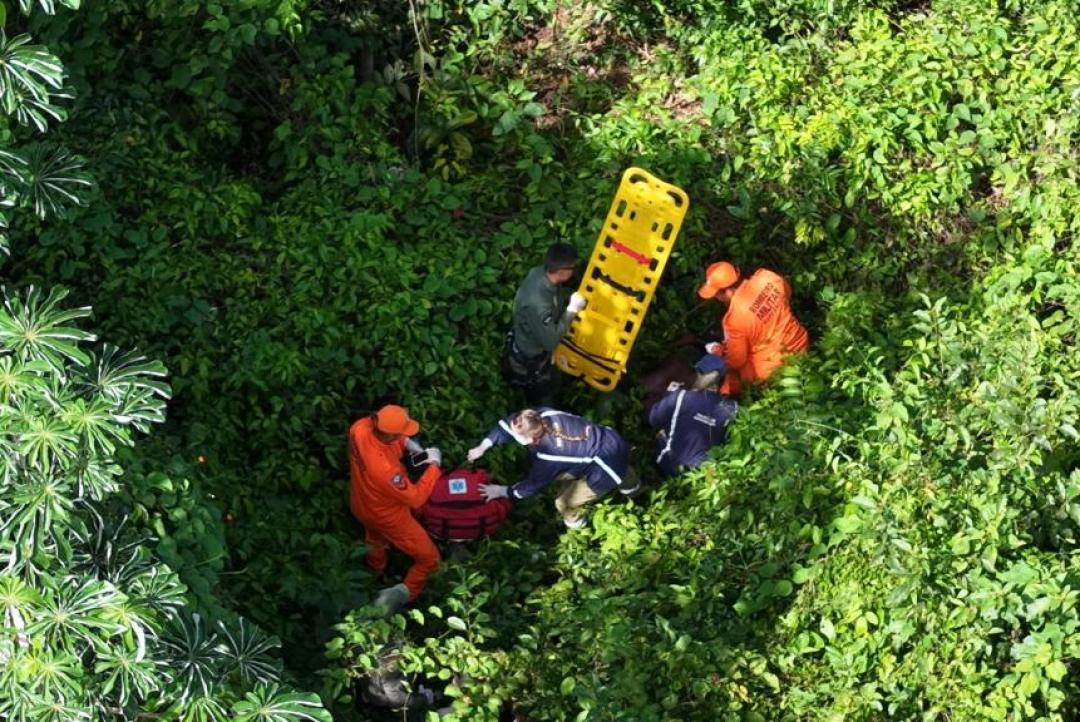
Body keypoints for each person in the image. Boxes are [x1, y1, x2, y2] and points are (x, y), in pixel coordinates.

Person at [466, 408, 639, 529]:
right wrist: (483, 446)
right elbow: (506, 425)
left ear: (527, 440)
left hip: (605, 469)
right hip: (612, 439)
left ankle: (578, 527)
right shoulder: (540, 415)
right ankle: (634, 488)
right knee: (621, 466)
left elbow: (531, 486)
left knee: (563, 502)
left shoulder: (550, 456)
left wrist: (501, 491)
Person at [348, 404, 443, 612]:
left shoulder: (359, 428)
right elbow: (416, 498)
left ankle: (375, 573)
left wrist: (406, 443)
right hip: (388, 516)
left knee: (375, 540)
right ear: (389, 435)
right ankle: (402, 593)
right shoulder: (386, 471)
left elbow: (385, 441)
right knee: (430, 559)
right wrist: (434, 466)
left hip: (362, 504)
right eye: (401, 433)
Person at [697, 261, 809, 395]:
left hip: (774, 370)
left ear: (724, 293)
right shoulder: (767, 277)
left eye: (716, 294)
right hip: (800, 344)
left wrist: (723, 353)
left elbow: (737, 361)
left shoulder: (734, 320)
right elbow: (787, 294)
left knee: (731, 374)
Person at [506, 243, 588, 406]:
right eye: (572, 268)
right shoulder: (538, 303)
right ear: (561, 272)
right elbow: (550, 342)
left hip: (532, 338)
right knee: (544, 395)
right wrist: (571, 310)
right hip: (531, 359)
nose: (573, 271)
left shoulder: (538, 272)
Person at [647, 381, 737, 477]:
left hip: (670, 464)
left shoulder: (681, 396)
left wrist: (669, 394)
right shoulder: (733, 408)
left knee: (663, 430)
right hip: (702, 472)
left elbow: (653, 420)